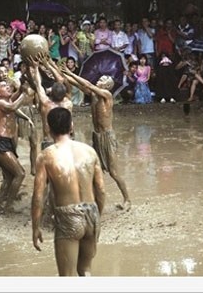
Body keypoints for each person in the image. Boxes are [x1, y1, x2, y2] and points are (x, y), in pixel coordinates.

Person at [31, 107, 106, 276]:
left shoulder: (46, 156)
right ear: (71, 126)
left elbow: (38, 196)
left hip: (68, 216)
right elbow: (101, 190)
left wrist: (36, 227)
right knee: (85, 271)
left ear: (48, 129)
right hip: (92, 213)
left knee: (67, 276)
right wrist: (97, 216)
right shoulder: (90, 151)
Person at [62, 66, 131, 210]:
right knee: (93, 168)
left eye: (104, 79)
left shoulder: (106, 95)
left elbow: (87, 84)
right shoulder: (93, 94)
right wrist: (58, 71)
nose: (101, 78)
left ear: (107, 86)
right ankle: (91, 200)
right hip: (97, 136)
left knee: (113, 171)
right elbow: (75, 83)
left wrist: (69, 72)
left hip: (107, 137)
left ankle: (127, 199)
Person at [0, 79, 29, 212]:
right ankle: (8, 206)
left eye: (7, 85)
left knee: (10, 177)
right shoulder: (0, 103)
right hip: (1, 143)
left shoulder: (9, 98)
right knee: (20, 173)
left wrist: (24, 86)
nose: (7, 87)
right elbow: (13, 107)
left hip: (6, 142)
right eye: (3, 86)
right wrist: (24, 94)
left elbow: (18, 93)